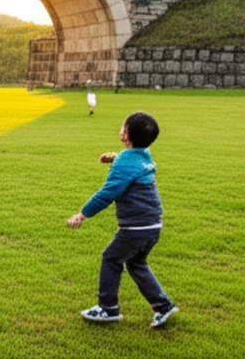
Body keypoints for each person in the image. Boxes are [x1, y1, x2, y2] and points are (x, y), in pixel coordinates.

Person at [67, 111, 179, 329]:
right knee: (136, 263)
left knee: (111, 257)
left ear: (125, 134)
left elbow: (108, 193)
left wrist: (83, 213)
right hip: (153, 225)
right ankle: (163, 305)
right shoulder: (144, 154)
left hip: (135, 228)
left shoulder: (127, 161)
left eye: (122, 126)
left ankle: (108, 308)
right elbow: (131, 161)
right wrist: (116, 157)